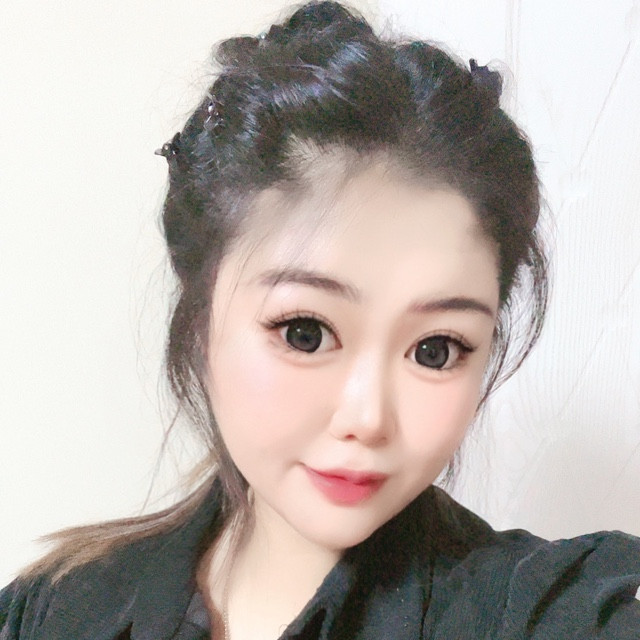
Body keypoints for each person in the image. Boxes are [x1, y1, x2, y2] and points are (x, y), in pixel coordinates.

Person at [1, 1, 639, 638]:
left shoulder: (535, 614)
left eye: (437, 350)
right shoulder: (56, 610)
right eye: (304, 333)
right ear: (200, 317)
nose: (368, 417)